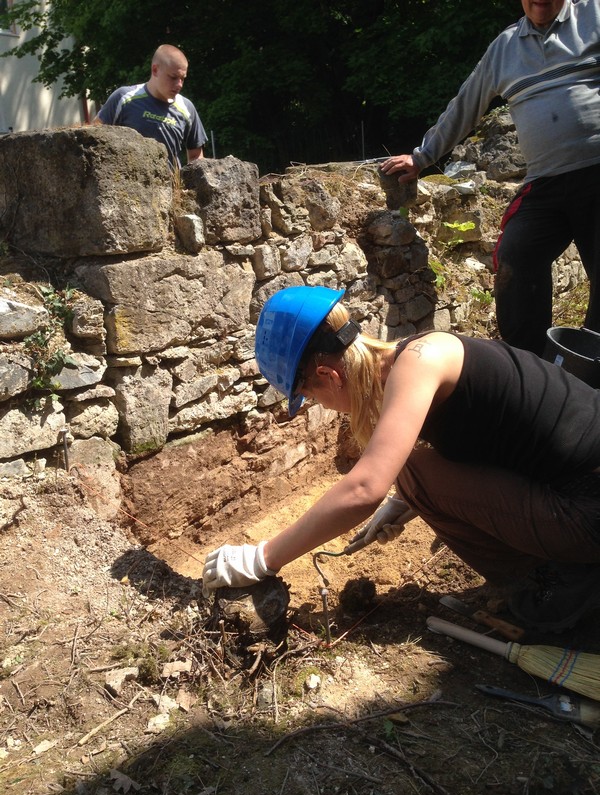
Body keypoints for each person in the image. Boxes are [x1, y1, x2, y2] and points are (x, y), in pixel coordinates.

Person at [202, 285, 600, 634]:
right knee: (412, 479)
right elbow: (497, 438)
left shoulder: (419, 365)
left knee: (412, 473)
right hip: (576, 487)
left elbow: (364, 487)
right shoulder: (420, 353)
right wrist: (405, 503)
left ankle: (555, 582)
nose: (318, 405)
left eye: (309, 396)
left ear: (329, 375)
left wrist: (261, 557)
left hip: (589, 502)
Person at [379, 0, 600, 357]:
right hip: (546, 181)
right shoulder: (506, 47)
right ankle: (527, 369)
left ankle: (588, 368)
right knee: (515, 257)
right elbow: (467, 103)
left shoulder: (593, 16)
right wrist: (422, 156)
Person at [94, 44, 207, 170]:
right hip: (126, 186)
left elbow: (196, 156)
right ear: (155, 70)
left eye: (182, 78)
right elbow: (94, 138)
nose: (179, 84)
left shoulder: (187, 108)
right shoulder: (123, 98)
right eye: (173, 77)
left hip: (169, 188)